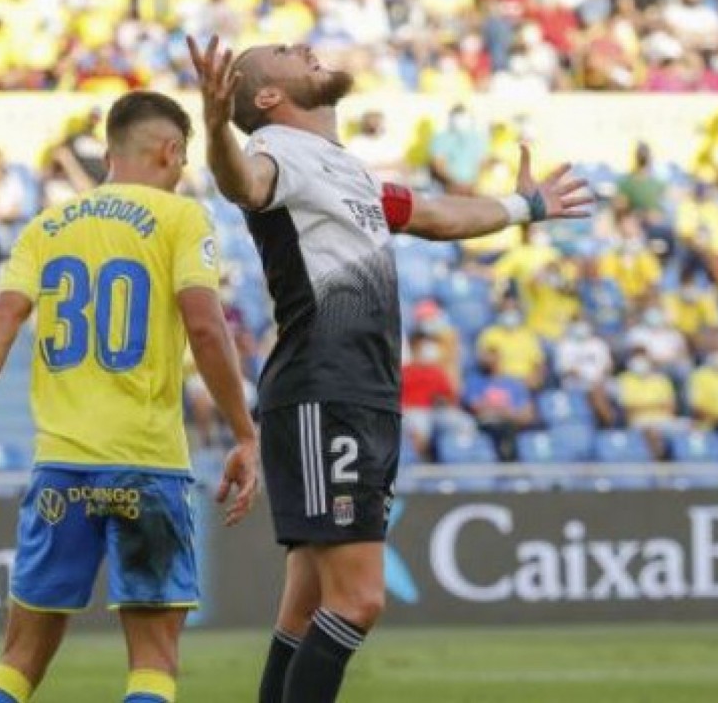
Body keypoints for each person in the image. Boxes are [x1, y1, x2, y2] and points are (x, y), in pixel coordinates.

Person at [187, 35, 591, 703]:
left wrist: (527, 207)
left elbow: (433, 214)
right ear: (268, 96)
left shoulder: (347, 173)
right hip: (325, 388)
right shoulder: (273, 154)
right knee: (359, 601)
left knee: (306, 608)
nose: (304, 44)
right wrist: (211, 120)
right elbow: (241, 183)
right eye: (287, 52)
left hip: (360, 391)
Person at [0, 91, 260, 703]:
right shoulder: (182, 219)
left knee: (18, 662)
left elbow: (2, 319)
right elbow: (207, 327)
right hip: (147, 465)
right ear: (171, 152)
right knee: (153, 664)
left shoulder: (46, 227)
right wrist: (244, 432)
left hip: (61, 468)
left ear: (108, 152)